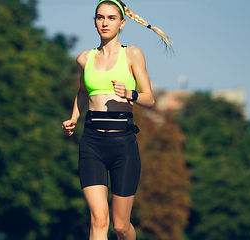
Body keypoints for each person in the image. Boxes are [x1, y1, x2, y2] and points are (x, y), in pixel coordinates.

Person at [62, 0, 173, 239]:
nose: (105, 22)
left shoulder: (132, 54)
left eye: (111, 18)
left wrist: (130, 94)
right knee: (99, 219)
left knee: (121, 226)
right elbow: (83, 91)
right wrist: (73, 118)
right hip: (91, 142)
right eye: (100, 17)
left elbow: (150, 99)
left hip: (123, 145)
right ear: (95, 21)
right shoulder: (84, 59)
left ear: (122, 23)